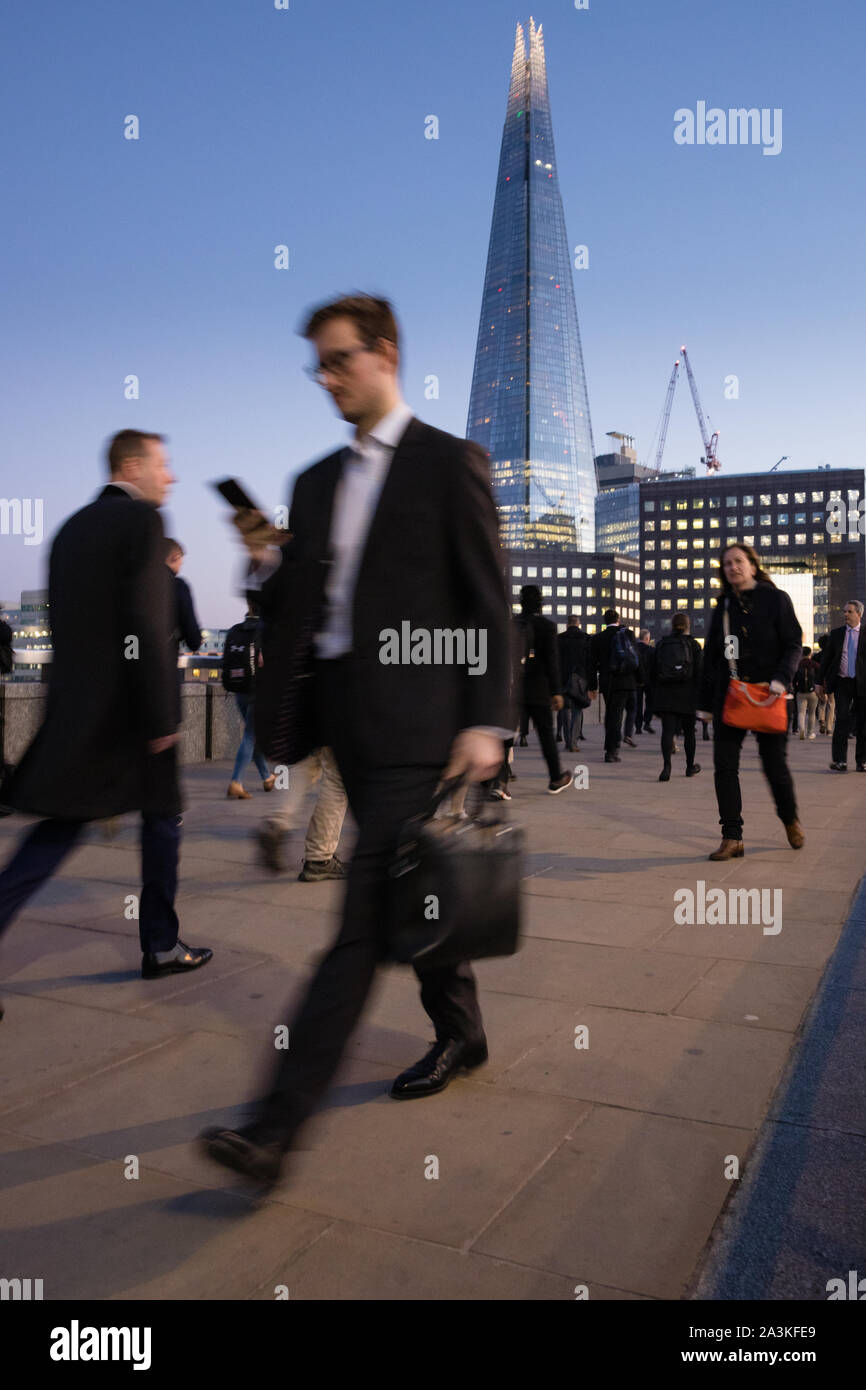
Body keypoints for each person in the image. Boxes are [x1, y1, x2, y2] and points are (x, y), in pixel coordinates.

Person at [199, 293, 512, 1185]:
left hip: (419, 733)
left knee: (357, 926)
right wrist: (268, 560)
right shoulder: (317, 482)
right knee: (415, 901)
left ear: (385, 354)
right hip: (340, 726)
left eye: (338, 360)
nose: (327, 379)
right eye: (319, 366)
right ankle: (463, 1030)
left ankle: (272, 1131)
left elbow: (488, 604)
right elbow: (306, 603)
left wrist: (487, 720)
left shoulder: (450, 464)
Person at [0, 430, 213, 1001]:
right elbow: (146, 623)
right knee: (163, 821)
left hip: (81, 713)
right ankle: (161, 946)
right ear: (132, 465)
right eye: (163, 466)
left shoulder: (71, 528)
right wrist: (163, 715)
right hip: (133, 717)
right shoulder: (142, 524)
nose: (169, 478)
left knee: (57, 830)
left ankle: (160, 943)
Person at [696, 542, 804, 860]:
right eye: (727, 563)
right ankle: (732, 837)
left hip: (769, 695)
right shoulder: (724, 606)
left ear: (753, 566)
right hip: (732, 696)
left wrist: (781, 678)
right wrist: (704, 704)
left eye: (739, 561)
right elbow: (714, 657)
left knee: (774, 766)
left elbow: (793, 644)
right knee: (725, 767)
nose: (733, 567)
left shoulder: (776, 599)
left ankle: (789, 819)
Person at [515, 586, 571, 793]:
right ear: (541, 602)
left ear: (520, 602)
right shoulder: (547, 626)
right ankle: (556, 778)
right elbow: (552, 661)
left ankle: (498, 782)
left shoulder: (512, 624)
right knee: (546, 735)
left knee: (504, 735)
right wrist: (556, 691)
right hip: (538, 689)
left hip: (513, 688)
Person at [222, 608, 276, 798]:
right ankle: (236, 782)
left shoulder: (236, 630)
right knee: (251, 735)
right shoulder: (266, 629)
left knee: (252, 734)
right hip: (258, 688)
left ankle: (267, 777)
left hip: (239, 689)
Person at [649, 612, 702, 782]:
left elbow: (653, 671)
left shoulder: (662, 644)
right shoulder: (694, 645)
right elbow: (701, 673)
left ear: (671, 625)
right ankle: (689, 766)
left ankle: (666, 766)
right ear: (688, 625)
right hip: (687, 695)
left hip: (666, 695)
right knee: (689, 733)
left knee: (667, 732)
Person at [815, 599, 866, 772]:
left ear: (859, 614)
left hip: (863, 684)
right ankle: (840, 761)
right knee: (841, 720)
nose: (845, 614)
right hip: (842, 683)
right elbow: (827, 660)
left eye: (849, 611)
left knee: (863, 723)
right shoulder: (837, 634)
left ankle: (862, 761)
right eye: (844, 611)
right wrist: (818, 682)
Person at [588, 610, 639, 764]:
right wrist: (640, 679)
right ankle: (612, 750)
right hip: (625, 681)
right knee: (616, 716)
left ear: (604, 620)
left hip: (607, 682)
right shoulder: (628, 634)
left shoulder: (598, 638)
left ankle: (611, 747)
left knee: (611, 714)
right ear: (618, 619)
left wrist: (592, 686)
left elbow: (590, 664)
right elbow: (636, 658)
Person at [557, 614, 590, 752]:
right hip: (580, 678)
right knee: (578, 710)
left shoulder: (559, 639)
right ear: (578, 624)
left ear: (567, 624)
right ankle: (573, 741)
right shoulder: (586, 638)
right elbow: (590, 661)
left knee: (565, 710)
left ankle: (567, 740)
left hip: (563, 679)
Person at [793, 646, 820, 740]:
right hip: (812, 691)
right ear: (810, 654)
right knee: (812, 713)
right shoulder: (814, 664)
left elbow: (793, 678)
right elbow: (820, 674)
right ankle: (810, 733)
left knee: (801, 712)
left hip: (800, 692)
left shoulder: (797, 664)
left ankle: (802, 730)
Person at [635, 630, 655, 733]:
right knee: (650, 702)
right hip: (649, 680)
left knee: (637, 704)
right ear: (647, 638)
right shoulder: (652, 650)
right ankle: (647, 722)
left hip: (637, 681)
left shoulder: (634, 649)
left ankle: (638, 727)